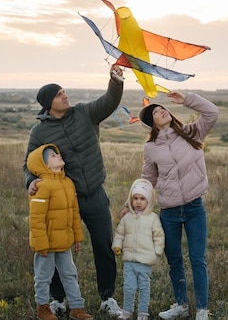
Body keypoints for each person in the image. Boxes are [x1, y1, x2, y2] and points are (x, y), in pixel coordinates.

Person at [24, 64, 124, 317]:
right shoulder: (40, 131)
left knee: (104, 244)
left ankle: (107, 298)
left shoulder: (84, 113)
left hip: (95, 194)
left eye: (65, 92)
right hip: (63, 198)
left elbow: (109, 102)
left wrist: (115, 81)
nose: (65, 96)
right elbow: (30, 163)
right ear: (49, 103)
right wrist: (30, 181)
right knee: (58, 247)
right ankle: (57, 299)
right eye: (59, 94)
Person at [138, 92, 218, 320]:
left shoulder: (191, 132)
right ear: (152, 123)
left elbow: (212, 113)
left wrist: (187, 99)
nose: (162, 111)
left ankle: (202, 310)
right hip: (169, 212)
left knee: (197, 259)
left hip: (194, 207)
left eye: (162, 108)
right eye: (155, 112)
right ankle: (181, 305)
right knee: (174, 260)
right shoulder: (151, 147)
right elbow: (148, 179)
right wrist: (133, 204)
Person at [27, 144, 93, 320]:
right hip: (46, 244)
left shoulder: (68, 183)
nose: (58, 156)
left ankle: (77, 308)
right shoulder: (42, 186)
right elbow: (36, 218)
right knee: (43, 277)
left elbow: (74, 212)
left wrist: (78, 237)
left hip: (64, 242)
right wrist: (41, 243)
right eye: (53, 156)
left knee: (70, 274)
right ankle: (43, 308)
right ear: (43, 165)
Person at [112, 179, 165, 320]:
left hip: (145, 261)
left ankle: (142, 312)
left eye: (142, 199)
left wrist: (157, 251)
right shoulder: (126, 218)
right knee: (129, 288)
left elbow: (159, 236)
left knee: (143, 288)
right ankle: (127, 310)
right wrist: (117, 245)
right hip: (129, 260)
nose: (138, 202)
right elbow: (119, 234)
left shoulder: (153, 218)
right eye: (135, 198)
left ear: (148, 200)